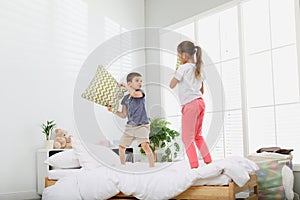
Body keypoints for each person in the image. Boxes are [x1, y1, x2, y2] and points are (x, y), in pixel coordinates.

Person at [169, 41, 212, 168]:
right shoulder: (199, 69)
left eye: (178, 55)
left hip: (190, 104)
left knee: (186, 137)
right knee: (197, 135)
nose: (178, 57)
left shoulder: (183, 68)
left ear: (183, 55)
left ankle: (194, 165)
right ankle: (208, 160)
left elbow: (171, 85)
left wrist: (177, 71)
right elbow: (202, 91)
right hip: (200, 103)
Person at [108, 72, 155, 168]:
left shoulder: (140, 93)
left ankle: (152, 166)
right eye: (137, 80)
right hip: (130, 127)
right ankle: (123, 166)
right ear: (130, 83)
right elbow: (123, 115)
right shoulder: (125, 99)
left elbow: (133, 94)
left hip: (142, 125)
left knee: (145, 145)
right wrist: (113, 110)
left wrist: (124, 85)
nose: (140, 82)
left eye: (141, 81)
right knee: (121, 147)